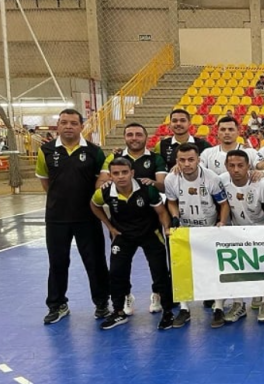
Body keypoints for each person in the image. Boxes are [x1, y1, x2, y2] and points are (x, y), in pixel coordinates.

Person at [35, 109, 110, 324]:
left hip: (88, 217)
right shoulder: (46, 151)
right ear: (57, 125)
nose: (68, 126)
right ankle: (58, 304)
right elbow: (46, 182)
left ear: (81, 126)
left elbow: (100, 184)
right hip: (57, 218)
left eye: (73, 123)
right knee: (57, 262)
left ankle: (102, 302)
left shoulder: (95, 152)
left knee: (95, 262)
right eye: (64, 122)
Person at [90, 158, 175, 330]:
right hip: (123, 235)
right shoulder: (104, 192)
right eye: (116, 173)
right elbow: (94, 205)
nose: (121, 177)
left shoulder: (147, 190)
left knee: (160, 273)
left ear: (132, 173)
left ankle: (167, 312)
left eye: (124, 172)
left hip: (150, 234)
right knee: (116, 272)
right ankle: (119, 311)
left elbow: (162, 212)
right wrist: (110, 226)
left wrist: (167, 228)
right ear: (110, 176)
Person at [164, 143, 230, 328]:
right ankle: (184, 309)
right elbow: (171, 202)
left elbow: (224, 204)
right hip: (185, 230)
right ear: (177, 161)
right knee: (182, 270)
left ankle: (218, 308)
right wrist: (175, 217)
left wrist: (222, 223)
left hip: (208, 229)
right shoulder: (171, 179)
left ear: (198, 160)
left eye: (191, 160)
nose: (187, 164)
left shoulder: (212, 178)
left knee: (215, 268)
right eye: (182, 160)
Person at [219, 149, 264, 323]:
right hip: (237, 232)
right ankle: (238, 304)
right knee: (236, 268)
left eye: (240, 165)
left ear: (248, 166)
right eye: (232, 165)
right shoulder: (222, 181)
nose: (236, 169)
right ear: (226, 166)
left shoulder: (261, 184)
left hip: (261, 230)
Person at [99, 123, 167, 194]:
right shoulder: (113, 157)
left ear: (146, 138)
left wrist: (152, 183)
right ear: (124, 138)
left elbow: (163, 187)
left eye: (139, 135)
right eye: (130, 135)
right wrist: (108, 185)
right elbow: (99, 184)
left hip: (149, 203)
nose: (134, 138)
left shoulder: (157, 158)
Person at [199, 116, 264, 178]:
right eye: (223, 129)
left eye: (231, 129)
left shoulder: (250, 152)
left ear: (238, 132)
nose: (227, 132)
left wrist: (262, 173)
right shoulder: (207, 153)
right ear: (217, 133)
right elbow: (197, 171)